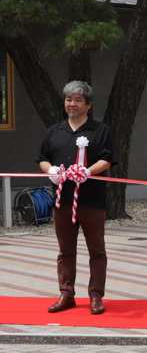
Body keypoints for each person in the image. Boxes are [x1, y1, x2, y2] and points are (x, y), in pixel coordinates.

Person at [38, 81, 117, 315]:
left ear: (89, 104)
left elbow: (108, 159)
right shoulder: (54, 130)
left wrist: (88, 171)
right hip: (62, 201)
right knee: (65, 251)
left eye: (78, 100)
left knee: (97, 250)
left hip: (91, 200)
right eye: (68, 99)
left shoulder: (101, 131)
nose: (72, 104)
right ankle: (66, 294)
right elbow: (43, 157)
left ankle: (96, 296)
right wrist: (50, 170)